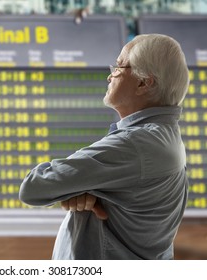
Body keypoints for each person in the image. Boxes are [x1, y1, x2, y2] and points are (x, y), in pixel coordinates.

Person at [19, 34, 190, 259]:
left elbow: (34, 187)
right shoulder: (162, 137)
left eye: (119, 66)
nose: (110, 76)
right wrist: (85, 189)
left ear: (143, 82)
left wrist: (76, 187)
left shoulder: (136, 145)